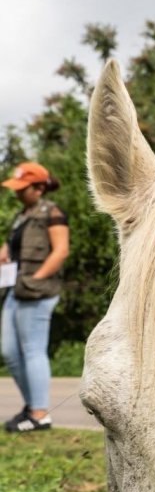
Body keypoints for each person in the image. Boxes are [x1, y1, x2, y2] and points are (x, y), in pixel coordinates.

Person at [0, 161, 69, 432]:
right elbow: (11, 249)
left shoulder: (52, 213)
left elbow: (60, 251)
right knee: (10, 352)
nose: (17, 193)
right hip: (16, 291)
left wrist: (37, 278)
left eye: (23, 188)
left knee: (33, 350)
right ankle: (31, 408)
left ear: (39, 187)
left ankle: (40, 414)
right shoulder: (22, 215)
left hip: (38, 293)